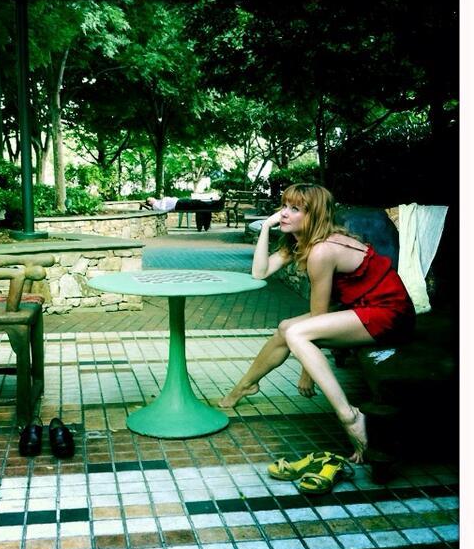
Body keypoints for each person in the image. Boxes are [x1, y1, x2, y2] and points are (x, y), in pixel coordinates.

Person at [218, 183, 415, 463]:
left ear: (314, 216)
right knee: (285, 328)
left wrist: (307, 372)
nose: (284, 213)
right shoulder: (300, 242)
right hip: (360, 308)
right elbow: (260, 272)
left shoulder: (322, 251)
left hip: (389, 313)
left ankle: (350, 416)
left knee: (295, 333)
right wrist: (265, 228)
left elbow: (318, 316)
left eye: (295, 209)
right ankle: (244, 386)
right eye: (284, 206)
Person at [145, 196, 223, 231]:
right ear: (150, 202)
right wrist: (164, 199)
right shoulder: (155, 205)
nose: (153, 198)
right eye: (151, 198)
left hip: (179, 202)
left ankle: (215, 204)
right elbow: (162, 210)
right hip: (178, 204)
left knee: (198, 203)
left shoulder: (157, 202)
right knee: (197, 203)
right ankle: (216, 204)